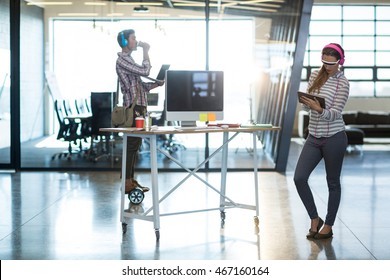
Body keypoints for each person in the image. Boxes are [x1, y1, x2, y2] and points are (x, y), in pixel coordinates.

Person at [294, 43, 350, 240]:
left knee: (332, 183)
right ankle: (314, 218)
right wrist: (308, 103)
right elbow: (311, 102)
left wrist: (319, 110)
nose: (327, 66)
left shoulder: (343, 83)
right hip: (314, 137)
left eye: (331, 63)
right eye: (324, 62)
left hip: (334, 138)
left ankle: (328, 225)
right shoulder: (314, 76)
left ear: (340, 61)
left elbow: (335, 113)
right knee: (299, 178)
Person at [116, 29, 164, 194]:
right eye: (133, 38)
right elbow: (145, 71)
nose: (136, 40)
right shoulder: (122, 61)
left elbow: (141, 86)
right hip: (133, 108)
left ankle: (130, 179)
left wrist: (156, 84)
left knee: (134, 146)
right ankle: (127, 182)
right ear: (124, 42)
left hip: (140, 107)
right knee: (131, 145)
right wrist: (146, 50)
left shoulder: (129, 60)